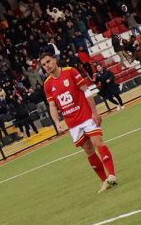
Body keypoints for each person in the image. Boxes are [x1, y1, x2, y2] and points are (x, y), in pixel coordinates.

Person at [41, 52, 118, 193]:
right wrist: (57, 122)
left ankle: (112, 175)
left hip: (86, 116)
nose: (47, 66)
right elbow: (52, 106)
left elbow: (86, 91)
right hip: (72, 123)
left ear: (54, 60)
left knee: (98, 142)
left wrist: (94, 112)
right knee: (89, 150)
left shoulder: (70, 71)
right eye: (44, 65)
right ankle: (104, 181)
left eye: (48, 61)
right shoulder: (47, 85)